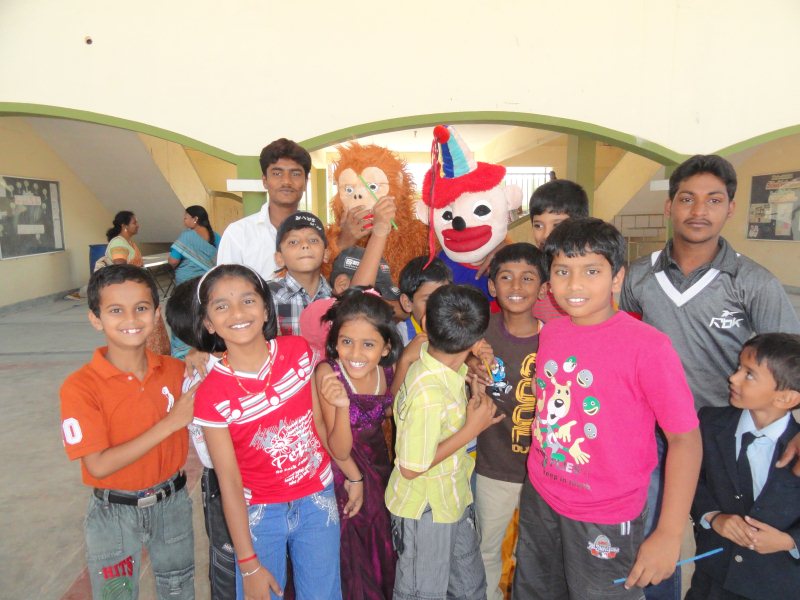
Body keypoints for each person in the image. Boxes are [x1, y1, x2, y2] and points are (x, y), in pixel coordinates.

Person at [619, 154, 800, 599]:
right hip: (652, 434)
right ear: (670, 206)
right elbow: (617, 342)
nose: (699, 211)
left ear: (730, 208)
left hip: (721, 441)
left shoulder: (752, 282)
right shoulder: (638, 276)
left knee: (716, 542)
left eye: (714, 200)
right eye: (687, 199)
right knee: (651, 540)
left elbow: (791, 361)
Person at [513, 218, 701, 599]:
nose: (574, 285)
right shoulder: (552, 332)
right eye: (562, 271)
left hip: (605, 514)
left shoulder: (648, 347)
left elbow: (686, 441)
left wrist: (669, 533)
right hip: (541, 495)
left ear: (617, 278)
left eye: (592, 271)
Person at [192, 264, 362, 600]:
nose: (237, 313)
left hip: (317, 501)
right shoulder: (211, 394)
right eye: (222, 306)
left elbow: (318, 428)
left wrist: (353, 475)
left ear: (266, 308)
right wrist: (248, 564)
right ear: (208, 322)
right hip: (259, 514)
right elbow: (229, 480)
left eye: (248, 300)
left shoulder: (297, 352)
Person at [59, 264, 196, 600]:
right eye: (116, 311)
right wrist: (171, 422)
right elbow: (99, 465)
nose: (131, 319)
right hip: (113, 513)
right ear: (96, 319)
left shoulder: (176, 371)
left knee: (179, 588)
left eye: (141, 308)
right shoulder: (80, 387)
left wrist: (202, 355)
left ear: (156, 313)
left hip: (172, 504)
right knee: (115, 594)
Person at [385, 284, 503, 600]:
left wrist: (474, 386)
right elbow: (411, 467)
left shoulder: (439, 364)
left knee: (470, 589)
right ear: (476, 339)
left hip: (452, 498)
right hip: (424, 509)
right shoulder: (428, 392)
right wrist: (472, 429)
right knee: (423, 593)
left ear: (426, 322)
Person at [687, 333, 800, 600]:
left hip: (778, 586)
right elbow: (691, 480)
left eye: (749, 374)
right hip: (711, 581)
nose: (733, 378)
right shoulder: (709, 423)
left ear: (786, 398)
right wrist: (713, 516)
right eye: (739, 367)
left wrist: (790, 541)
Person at [315, 288, 403, 600]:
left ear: (385, 347)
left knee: (379, 542)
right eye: (346, 342)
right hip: (342, 473)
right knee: (350, 550)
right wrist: (342, 406)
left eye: (368, 344)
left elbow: (387, 409)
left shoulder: (386, 371)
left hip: (378, 469)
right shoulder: (329, 373)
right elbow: (337, 447)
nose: (355, 353)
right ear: (335, 341)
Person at [477, 242, 547, 600]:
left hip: (544, 474)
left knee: (535, 558)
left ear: (543, 288)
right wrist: (468, 368)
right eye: (506, 277)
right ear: (492, 286)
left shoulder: (557, 338)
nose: (516, 286)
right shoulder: (479, 334)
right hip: (492, 467)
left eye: (528, 278)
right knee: (485, 551)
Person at [164, 278, 233, 599]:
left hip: (258, 478)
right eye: (222, 305)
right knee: (229, 564)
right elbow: (209, 455)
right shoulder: (199, 376)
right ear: (207, 323)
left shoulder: (249, 358)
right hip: (225, 481)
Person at [216, 138, 311, 280]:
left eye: (295, 174)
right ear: (265, 181)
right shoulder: (238, 234)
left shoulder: (315, 234)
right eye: (277, 173)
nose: (286, 181)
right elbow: (226, 286)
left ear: (305, 182)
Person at [104, 210, 170, 355]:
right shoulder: (118, 243)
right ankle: (144, 357)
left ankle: (153, 356)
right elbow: (120, 267)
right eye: (134, 222)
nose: (138, 225)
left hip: (139, 291)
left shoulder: (129, 242)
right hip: (129, 295)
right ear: (124, 226)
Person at [528, 179, 589, 323]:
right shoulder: (529, 267)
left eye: (557, 225)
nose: (545, 235)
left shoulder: (592, 270)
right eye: (538, 225)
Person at [267, 211, 333, 336]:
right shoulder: (267, 296)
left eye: (313, 240)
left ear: (326, 254)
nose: (305, 245)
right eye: (293, 242)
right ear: (279, 258)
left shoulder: (336, 297)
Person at [395, 255, 453, 347]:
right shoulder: (397, 339)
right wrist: (406, 356)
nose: (439, 306)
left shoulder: (459, 331)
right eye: (429, 299)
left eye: (445, 297)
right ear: (407, 303)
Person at [168, 205, 221, 285]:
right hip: (209, 280)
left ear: (195, 219)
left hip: (187, 281)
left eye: (185, 218)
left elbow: (173, 261)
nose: (183, 221)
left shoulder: (187, 236)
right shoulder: (215, 235)